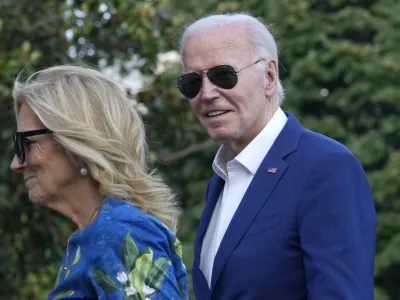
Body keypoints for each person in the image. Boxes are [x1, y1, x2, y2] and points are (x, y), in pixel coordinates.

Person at [177, 13, 377, 299]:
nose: (207, 93)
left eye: (224, 75)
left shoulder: (326, 168)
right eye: (192, 83)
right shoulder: (221, 180)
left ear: (269, 77)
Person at [10, 65, 189, 300]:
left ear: (79, 143)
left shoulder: (120, 233)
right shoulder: (94, 236)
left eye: (28, 144)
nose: (16, 163)